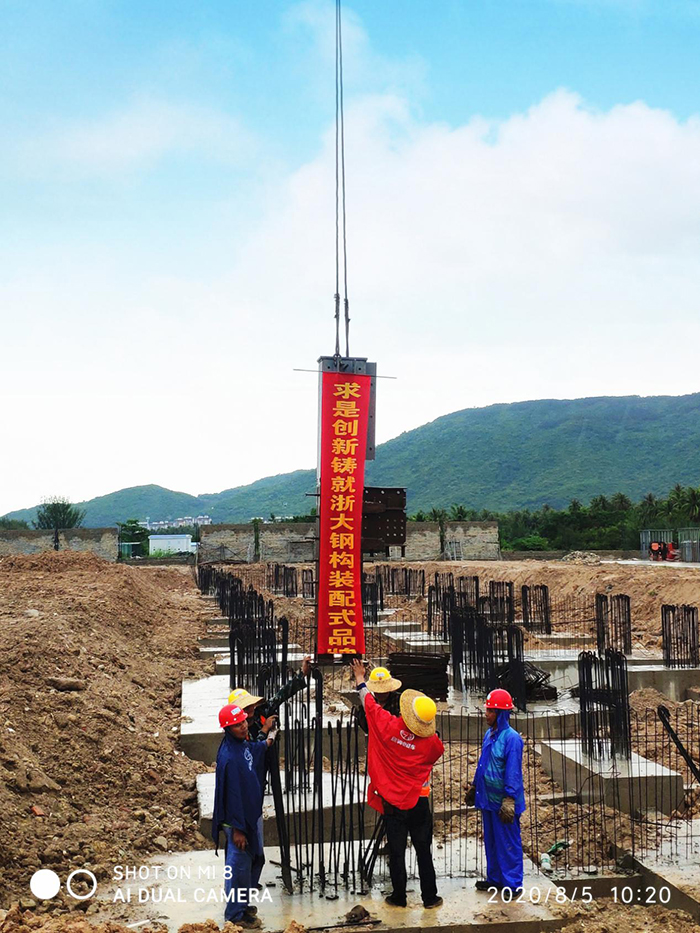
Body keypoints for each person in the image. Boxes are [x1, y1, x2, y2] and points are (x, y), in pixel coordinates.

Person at [350, 658, 444, 910]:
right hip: (419, 801)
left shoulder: (389, 726)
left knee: (397, 851)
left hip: (393, 802)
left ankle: (399, 896)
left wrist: (360, 677)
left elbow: (369, 704)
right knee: (423, 850)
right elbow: (438, 750)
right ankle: (430, 897)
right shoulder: (431, 743)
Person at [212, 702, 278, 930]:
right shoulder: (229, 758)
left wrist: (268, 737)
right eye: (237, 724)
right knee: (238, 868)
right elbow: (232, 796)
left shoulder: (240, 744)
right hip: (237, 822)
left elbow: (254, 749)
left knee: (255, 859)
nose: (243, 726)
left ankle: (242, 904)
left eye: (243, 722)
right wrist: (238, 830)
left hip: (249, 815)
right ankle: (235, 915)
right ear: (227, 728)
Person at [465, 688, 525, 894]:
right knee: (491, 841)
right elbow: (484, 763)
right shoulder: (489, 735)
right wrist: (475, 786)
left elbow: (513, 771)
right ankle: (496, 879)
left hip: (503, 802)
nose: (486, 714)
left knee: (507, 842)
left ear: (501, 714)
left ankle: (513, 884)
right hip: (488, 799)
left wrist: (509, 798)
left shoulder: (512, 739)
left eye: (491, 711)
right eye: (487, 710)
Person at [229, 654, 313, 741]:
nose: (249, 708)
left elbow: (281, 695)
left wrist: (302, 673)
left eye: (250, 704)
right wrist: (265, 730)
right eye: (244, 707)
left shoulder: (259, 712)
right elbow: (251, 748)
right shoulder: (237, 730)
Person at [356, 665, 402, 733]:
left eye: (384, 691)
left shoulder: (399, 701)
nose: (381, 693)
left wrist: (359, 677)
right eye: (378, 691)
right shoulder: (370, 703)